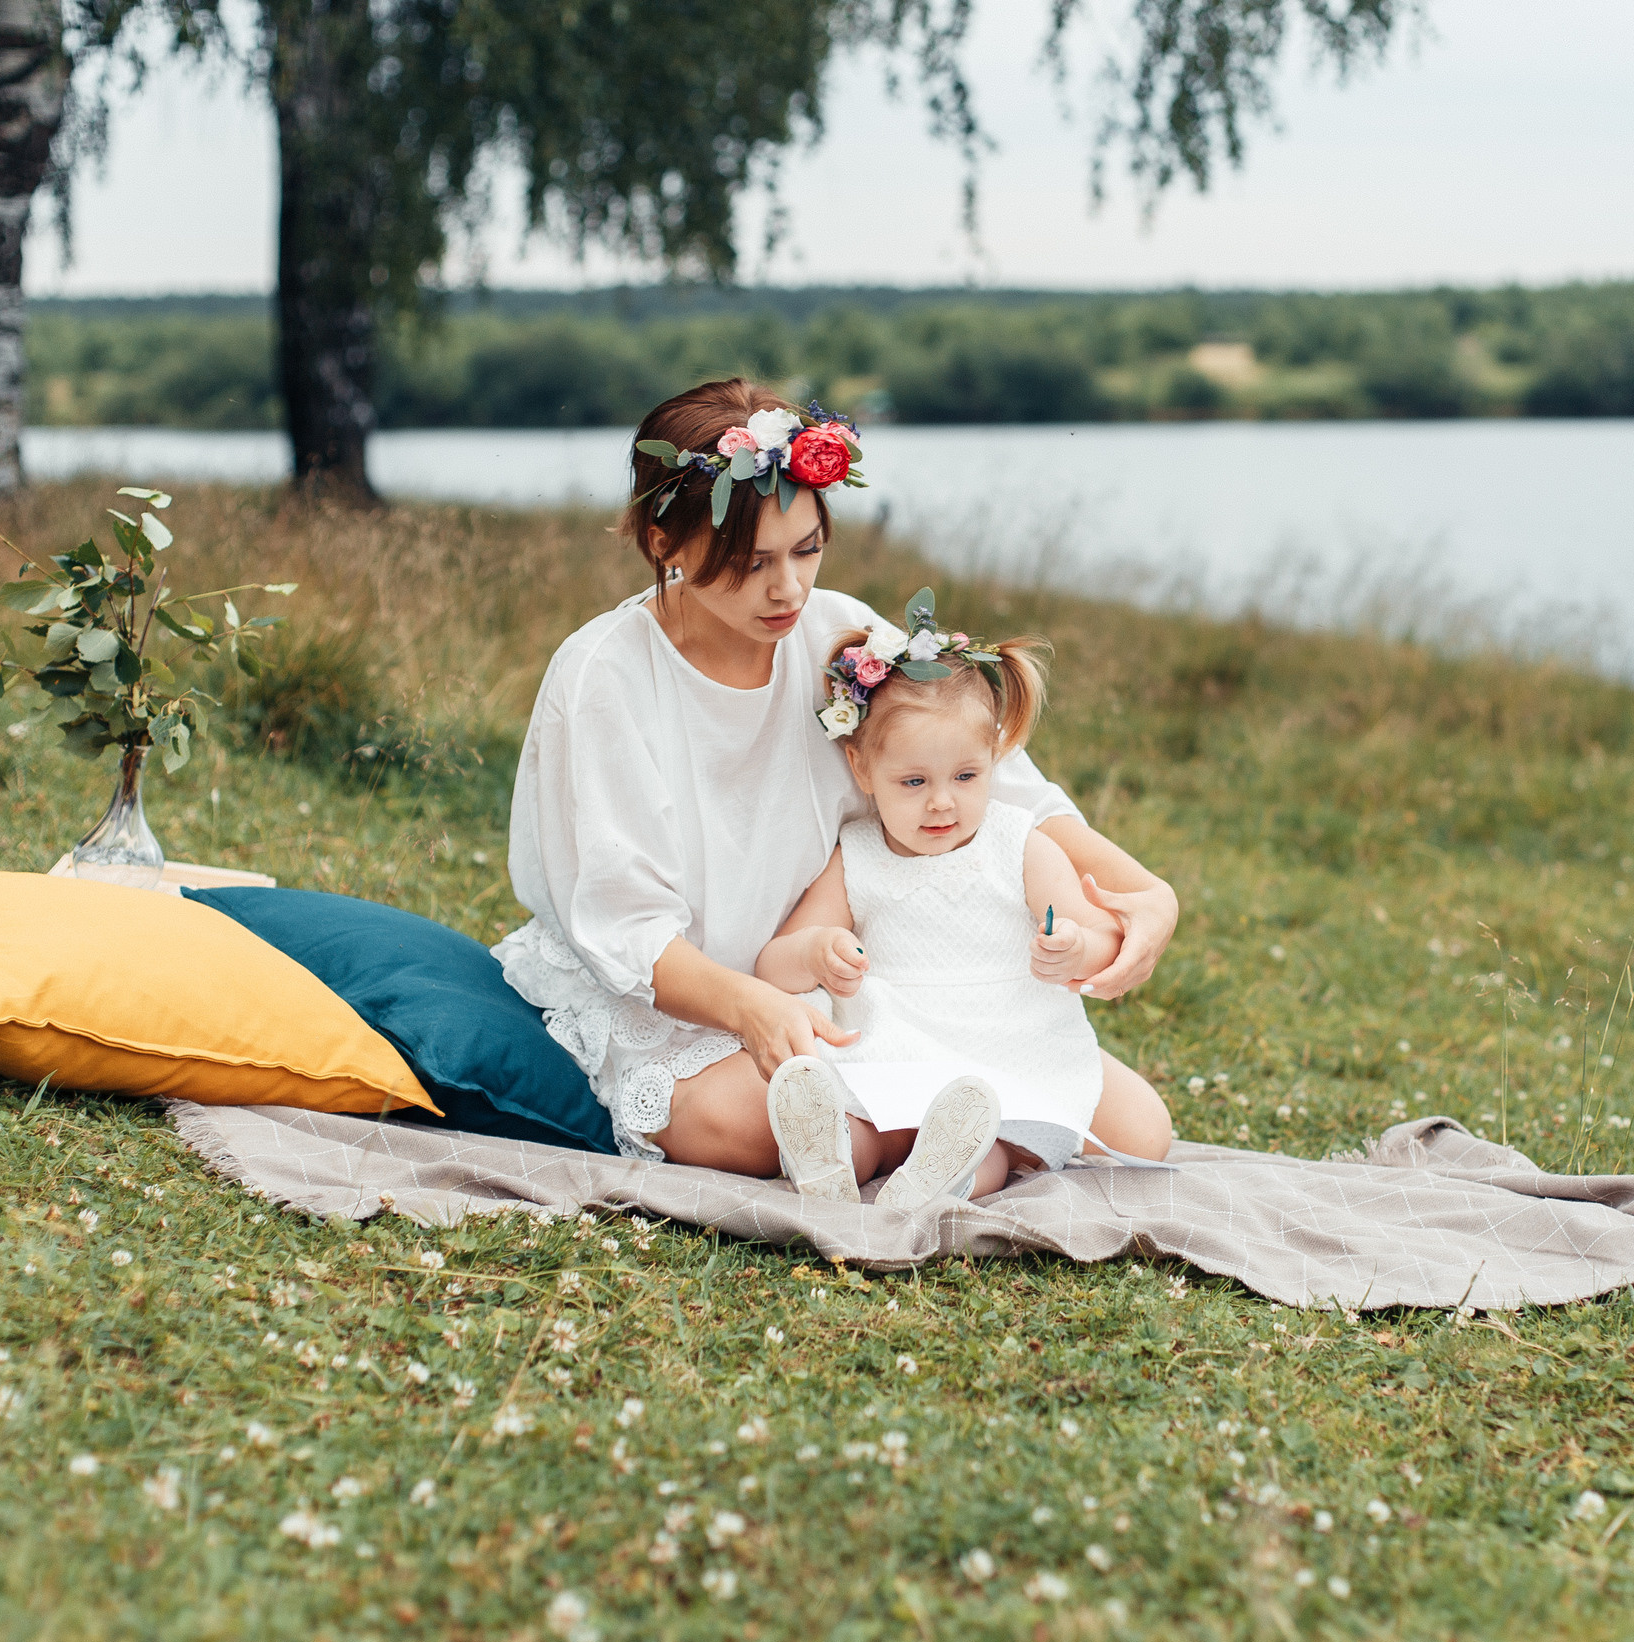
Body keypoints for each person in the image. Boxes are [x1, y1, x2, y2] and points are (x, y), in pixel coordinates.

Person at [495, 377, 1180, 1189]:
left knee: (1139, 1131)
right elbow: (629, 928)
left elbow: (998, 783)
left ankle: (934, 1125)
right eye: (749, 564)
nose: (788, 589)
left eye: (807, 549)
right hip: (684, 996)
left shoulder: (837, 638)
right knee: (747, 1124)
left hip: (846, 988)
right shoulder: (605, 675)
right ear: (663, 542)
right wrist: (753, 1009)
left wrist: (1150, 895)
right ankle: (948, 1136)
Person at [749, 594, 1175, 1208]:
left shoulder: (1020, 845)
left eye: (966, 777)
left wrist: (1077, 947)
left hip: (1008, 1043)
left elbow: (1105, 939)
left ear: (994, 763)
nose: (942, 803)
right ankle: (828, 1157)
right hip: (900, 1043)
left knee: (1040, 1134)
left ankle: (945, 1174)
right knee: (871, 1124)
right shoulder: (859, 856)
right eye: (914, 782)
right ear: (862, 769)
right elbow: (773, 964)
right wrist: (817, 952)